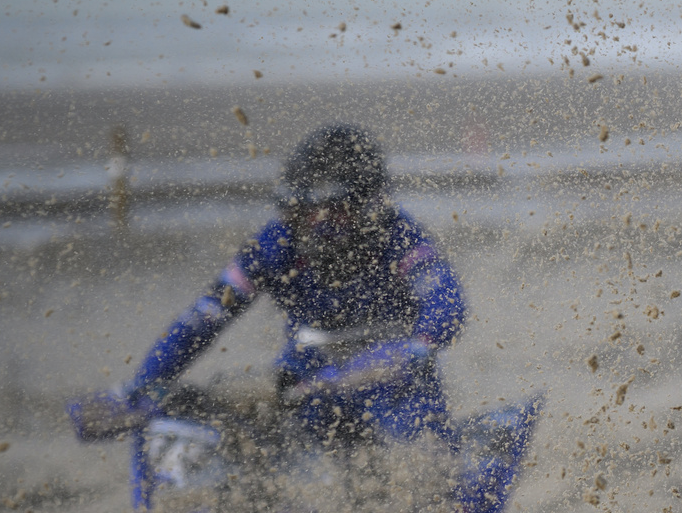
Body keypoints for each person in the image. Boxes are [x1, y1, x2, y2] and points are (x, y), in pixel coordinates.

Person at [71, 125, 466, 448]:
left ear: (367, 205)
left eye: (332, 208)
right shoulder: (275, 244)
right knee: (219, 439)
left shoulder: (399, 236)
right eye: (305, 210)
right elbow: (206, 315)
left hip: (392, 377)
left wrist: (420, 346)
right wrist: (142, 385)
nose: (316, 221)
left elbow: (444, 295)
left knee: (419, 451)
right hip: (303, 379)